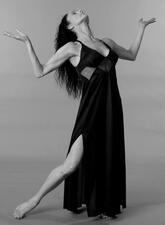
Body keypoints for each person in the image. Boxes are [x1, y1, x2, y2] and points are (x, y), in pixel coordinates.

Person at [3, 9, 156, 220]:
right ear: (70, 26)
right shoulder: (73, 48)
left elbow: (131, 54)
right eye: (74, 13)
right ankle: (33, 200)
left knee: (107, 156)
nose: (79, 11)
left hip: (111, 111)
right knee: (70, 166)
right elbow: (40, 71)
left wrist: (141, 28)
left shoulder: (107, 43)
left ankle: (102, 204)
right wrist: (28, 43)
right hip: (90, 113)